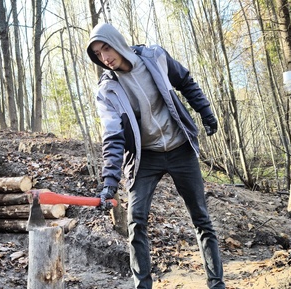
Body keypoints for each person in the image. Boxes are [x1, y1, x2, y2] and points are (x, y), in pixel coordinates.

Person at [86, 23, 225, 289]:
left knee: (201, 219)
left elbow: (185, 81)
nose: (105, 57)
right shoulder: (107, 90)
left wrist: (206, 112)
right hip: (144, 158)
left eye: (106, 48)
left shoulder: (155, 57)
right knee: (136, 221)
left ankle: (217, 284)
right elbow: (112, 137)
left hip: (180, 148)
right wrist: (109, 183)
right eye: (98, 54)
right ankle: (143, 286)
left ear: (118, 42)